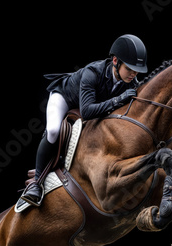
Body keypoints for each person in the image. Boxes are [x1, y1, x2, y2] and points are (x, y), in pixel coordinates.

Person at [21, 34, 148, 206]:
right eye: (130, 68)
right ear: (116, 61)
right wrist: (118, 100)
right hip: (65, 99)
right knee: (53, 130)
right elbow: (87, 111)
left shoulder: (131, 82)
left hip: (90, 105)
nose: (134, 74)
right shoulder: (92, 72)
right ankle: (36, 183)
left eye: (137, 70)